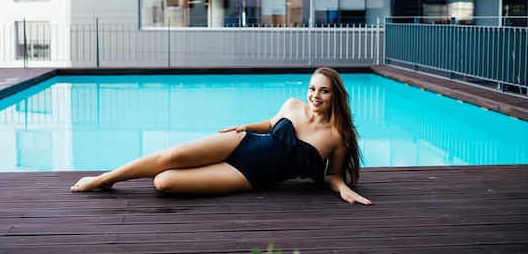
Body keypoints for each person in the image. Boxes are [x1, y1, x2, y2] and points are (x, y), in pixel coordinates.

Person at [70, 67, 372, 205]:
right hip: (243, 142)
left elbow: (332, 175)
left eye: (323, 90)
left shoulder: (338, 136)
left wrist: (342, 188)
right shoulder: (292, 105)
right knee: (171, 156)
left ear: (335, 95)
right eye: (312, 88)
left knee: (165, 182)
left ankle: (117, 177)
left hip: (249, 175)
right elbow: (271, 123)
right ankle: (106, 178)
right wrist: (243, 126)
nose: (314, 95)